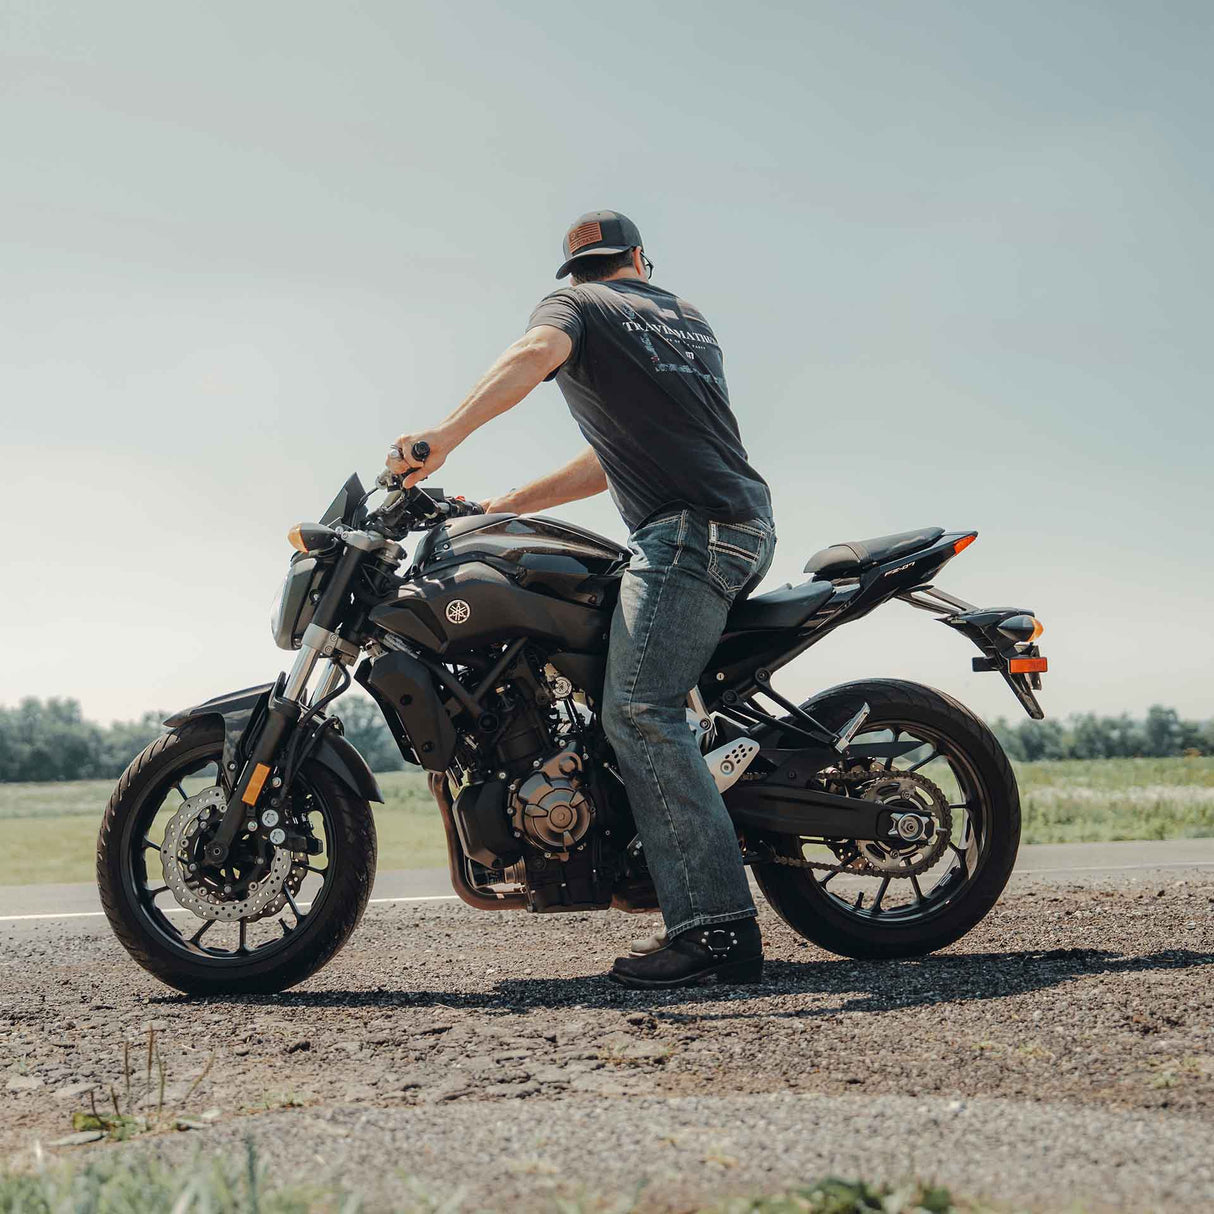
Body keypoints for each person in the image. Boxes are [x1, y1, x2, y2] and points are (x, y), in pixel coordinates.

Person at [386, 210, 775, 988]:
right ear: (638, 259)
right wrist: (507, 506)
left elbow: (536, 354)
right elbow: (613, 457)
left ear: (576, 272)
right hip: (728, 521)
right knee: (618, 698)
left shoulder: (579, 308)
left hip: (692, 533)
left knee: (639, 708)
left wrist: (443, 436)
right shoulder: (686, 321)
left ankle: (718, 932)